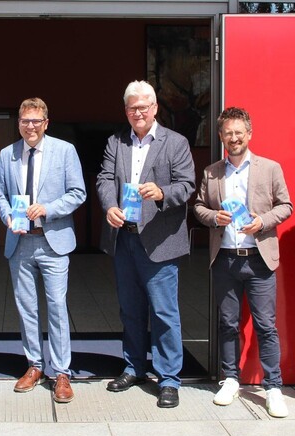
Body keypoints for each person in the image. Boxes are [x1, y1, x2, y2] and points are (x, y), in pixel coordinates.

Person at [96, 80, 195, 408]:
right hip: (125, 238)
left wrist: (163, 192)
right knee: (130, 309)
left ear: (155, 108)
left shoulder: (175, 142)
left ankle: (168, 378)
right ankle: (134, 366)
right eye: (132, 107)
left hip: (159, 240)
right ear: (126, 111)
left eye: (143, 107)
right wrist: (110, 204)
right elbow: (105, 178)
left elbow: (187, 184)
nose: (138, 112)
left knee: (165, 311)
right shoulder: (116, 141)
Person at [193, 107, 292, 418]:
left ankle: (273, 386)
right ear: (221, 137)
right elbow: (198, 207)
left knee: (266, 326)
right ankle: (230, 379)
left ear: (249, 134)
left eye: (239, 132)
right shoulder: (212, 172)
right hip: (225, 259)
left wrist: (262, 221)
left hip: (259, 259)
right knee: (227, 324)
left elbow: (286, 205)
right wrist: (213, 217)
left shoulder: (269, 168)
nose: (233, 138)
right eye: (228, 133)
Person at [0, 97, 86, 403]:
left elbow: (78, 193)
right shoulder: (7, 154)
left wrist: (47, 208)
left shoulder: (64, 150)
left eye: (36, 121)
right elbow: (0, 194)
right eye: (24, 121)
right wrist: (7, 215)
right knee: (26, 308)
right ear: (18, 123)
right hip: (20, 241)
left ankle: (61, 372)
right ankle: (34, 365)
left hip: (53, 240)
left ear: (46, 123)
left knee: (57, 307)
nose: (30, 127)